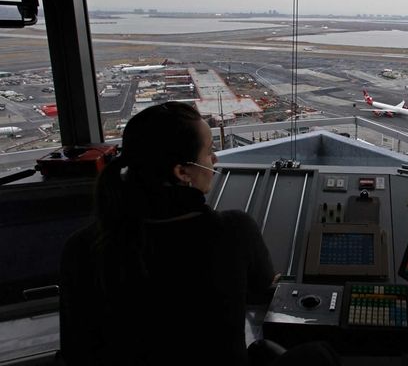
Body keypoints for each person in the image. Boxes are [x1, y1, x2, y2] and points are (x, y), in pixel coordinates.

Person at [59, 102, 338, 366]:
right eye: (208, 152)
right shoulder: (234, 231)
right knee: (320, 354)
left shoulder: (81, 247)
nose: (215, 159)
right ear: (182, 172)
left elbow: (75, 348)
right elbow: (262, 291)